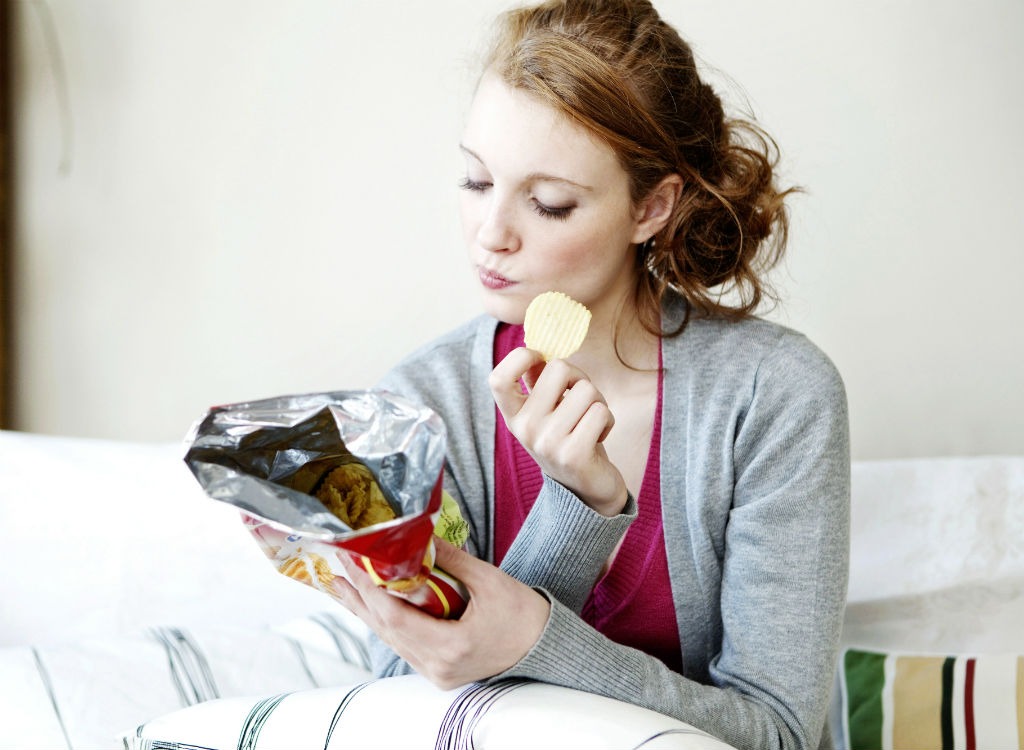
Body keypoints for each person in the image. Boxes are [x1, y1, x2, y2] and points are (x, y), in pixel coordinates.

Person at [331, 1, 850, 748]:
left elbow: (777, 733)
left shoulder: (774, 395)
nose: (491, 234)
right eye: (476, 181)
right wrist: (577, 508)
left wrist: (533, 635)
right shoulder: (420, 405)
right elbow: (415, 708)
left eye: (549, 204)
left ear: (652, 208)